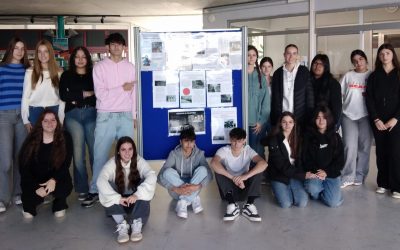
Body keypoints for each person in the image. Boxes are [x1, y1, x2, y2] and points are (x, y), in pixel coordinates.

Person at [83, 33, 137, 208]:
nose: (116, 47)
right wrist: (122, 88)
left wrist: (134, 115)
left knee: (128, 156)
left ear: (124, 47)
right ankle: (95, 190)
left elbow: (133, 93)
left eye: (119, 44)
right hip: (105, 115)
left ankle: (128, 190)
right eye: (112, 44)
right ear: (107, 47)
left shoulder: (130, 67)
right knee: (100, 156)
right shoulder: (99, 67)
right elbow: (101, 95)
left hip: (126, 115)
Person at [97, 137, 156, 244]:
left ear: (134, 150)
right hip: (119, 202)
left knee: (146, 180)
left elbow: (152, 176)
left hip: (135, 201)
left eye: (130, 149)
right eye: (123, 149)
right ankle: (121, 224)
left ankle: (136, 223)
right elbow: (100, 180)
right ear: (118, 152)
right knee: (105, 184)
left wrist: (137, 195)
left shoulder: (138, 160)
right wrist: (117, 198)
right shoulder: (112, 163)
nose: (127, 153)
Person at [18, 109, 73, 218]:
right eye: (46, 121)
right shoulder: (32, 140)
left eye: (53, 120)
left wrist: (53, 180)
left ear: (57, 122)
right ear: (40, 123)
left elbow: (66, 163)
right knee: (28, 215)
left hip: (54, 177)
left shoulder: (65, 137)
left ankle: (59, 202)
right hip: (35, 179)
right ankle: (36, 200)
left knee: (63, 188)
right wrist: (35, 187)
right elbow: (23, 167)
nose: (50, 123)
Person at [59, 46, 96, 201]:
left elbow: (98, 95)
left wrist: (76, 97)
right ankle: (82, 188)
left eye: (83, 57)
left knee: (95, 152)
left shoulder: (94, 74)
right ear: (72, 59)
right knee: (78, 153)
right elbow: (63, 95)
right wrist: (85, 94)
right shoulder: (66, 75)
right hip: (72, 115)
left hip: (91, 114)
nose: (80, 60)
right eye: (77, 57)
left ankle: (98, 186)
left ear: (88, 59)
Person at [210, 128, 267, 222]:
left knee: (258, 169)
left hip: (245, 189)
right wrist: (234, 178)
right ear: (230, 139)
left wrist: (244, 177)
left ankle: (249, 205)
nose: (236, 144)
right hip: (228, 192)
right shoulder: (224, 150)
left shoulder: (248, 150)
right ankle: (232, 205)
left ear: (244, 140)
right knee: (218, 170)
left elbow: (264, 164)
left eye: (239, 141)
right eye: (233, 141)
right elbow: (213, 163)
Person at [0, 37, 30, 213]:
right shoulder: (1, 69)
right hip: (3, 116)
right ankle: (2, 198)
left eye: (22, 48)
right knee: (5, 162)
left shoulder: (27, 70)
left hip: (22, 117)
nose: (19, 51)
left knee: (20, 158)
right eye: (16, 48)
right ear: (10, 50)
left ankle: (18, 193)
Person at [366, 43, 400, 198]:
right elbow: (370, 100)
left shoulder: (399, 73)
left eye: (387, 53)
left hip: (396, 121)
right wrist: (376, 119)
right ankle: (383, 183)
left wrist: (396, 119)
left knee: (395, 152)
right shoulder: (374, 76)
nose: (384, 56)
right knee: (381, 152)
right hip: (378, 121)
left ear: (393, 54)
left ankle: (396, 186)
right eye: (381, 54)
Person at [262, 112, 316, 208]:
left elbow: (300, 160)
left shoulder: (298, 138)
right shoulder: (274, 140)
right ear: (280, 124)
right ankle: (276, 188)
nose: (287, 125)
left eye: (290, 122)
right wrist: (303, 175)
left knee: (302, 203)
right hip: (279, 174)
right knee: (286, 204)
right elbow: (281, 165)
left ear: (294, 123)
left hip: (294, 174)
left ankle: (290, 187)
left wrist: (301, 174)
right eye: (284, 122)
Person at [158, 125, 213, 219]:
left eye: (191, 141)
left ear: (194, 142)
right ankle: (193, 198)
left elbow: (210, 175)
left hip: (194, 188)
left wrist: (198, 186)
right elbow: (160, 177)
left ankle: (183, 202)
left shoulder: (199, 154)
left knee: (203, 170)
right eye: (186, 141)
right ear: (181, 141)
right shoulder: (174, 154)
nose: (189, 144)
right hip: (177, 191)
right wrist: (175, 189)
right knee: (167, 172)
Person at [340, 50, 372, 188]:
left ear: (365, 60)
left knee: (364, 147)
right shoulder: (348, 75)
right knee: (349, 146)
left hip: (366, 115)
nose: (358, 63)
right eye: (355, 61)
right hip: (348, 115)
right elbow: (339, 94)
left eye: (360, 59)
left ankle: (360, 175)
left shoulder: (371, 75)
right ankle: (348, 175)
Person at [302, 105, 344, 207]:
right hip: (315, 173)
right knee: (313, 189)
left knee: (333, 203)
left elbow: (340, 161)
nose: (321, 121)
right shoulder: (308, 136)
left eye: (324, 117)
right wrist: (317, 172)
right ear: (314, 119)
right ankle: (318, 192)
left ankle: (328, 192)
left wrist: (327, 172)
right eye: (318, 118)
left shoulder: (336, 137)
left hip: (331, 174)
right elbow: (305, 158)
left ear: (328, 119)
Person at [21, 39, 65, 132]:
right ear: (36, 54)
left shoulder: (59, 72)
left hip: (54, 110)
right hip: (35, 111)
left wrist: (61, 118)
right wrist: (25, 120)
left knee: (53, 143)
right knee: (36, 144)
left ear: (50, 53)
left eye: (46, 51)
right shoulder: (30, 72)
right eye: (39, 52)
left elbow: (62, 98)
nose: (43, 55)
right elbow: (25, 97)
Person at [270, 44, 314, 129]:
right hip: (282, 118)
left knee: (298, 141)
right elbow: (274, 98)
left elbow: (309, 96)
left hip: (300, 118)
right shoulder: (277, 73)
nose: (291, 56)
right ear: (284, 55)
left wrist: (310, 116)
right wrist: (275, 117)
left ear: (297, 56)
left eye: (294, 53)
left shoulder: (304, 72)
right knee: (283, 141)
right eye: (288, 53)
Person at [247, 45, 270, 159]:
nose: (251, 57)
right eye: (248, 55)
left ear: (256, 57)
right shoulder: (239, 74)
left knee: (256, 151)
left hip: (255, 124)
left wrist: (261, 121)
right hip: (240, 122)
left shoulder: (261, 77)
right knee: (241, 152)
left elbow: (266, 102)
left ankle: (259, 176)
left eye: (253, 55)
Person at [310, 54, 342, 128]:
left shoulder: (333, 83)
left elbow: (337, 108)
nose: (317, 66)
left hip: (326, 123)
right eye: (315, 63)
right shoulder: (307, 81)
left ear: (326, 66)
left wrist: (332, 124)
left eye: (321, 64)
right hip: (309, 123)